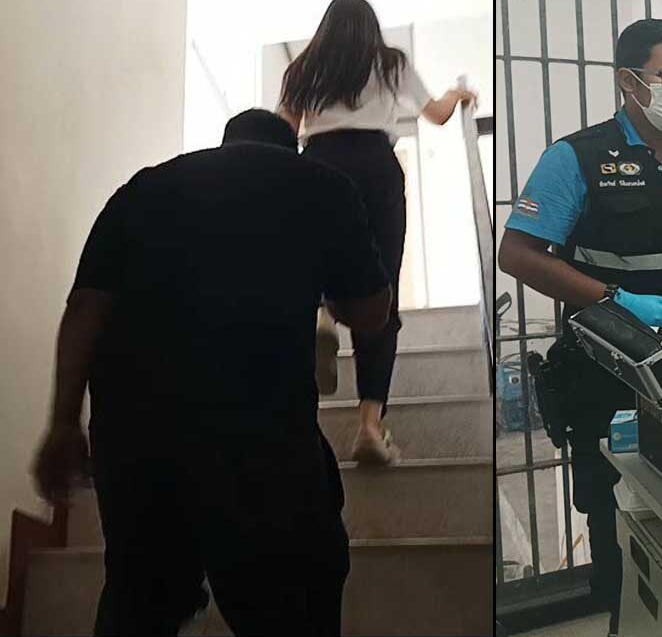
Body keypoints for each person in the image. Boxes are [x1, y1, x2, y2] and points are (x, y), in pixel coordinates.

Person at [31, 110, 392, 636]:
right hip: (259, 440)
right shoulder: (320, 186)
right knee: (295, 596)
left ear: (224, 143)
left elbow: (85, 308)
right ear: (290, 147)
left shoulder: (143, 188)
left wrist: (63, 423)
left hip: (136, 441)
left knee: (138, 599)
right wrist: (326, 290)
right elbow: (371, 313)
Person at [497, 18, 662, 635]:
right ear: (629, 81)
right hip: (609, 366)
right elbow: (518, 254)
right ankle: (624, 616)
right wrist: (617, 299)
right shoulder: (576, 157)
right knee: (615, 508)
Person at [278, 0, 476, 465]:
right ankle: (369, 426)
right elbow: (437, 114)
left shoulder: (303, 69)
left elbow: (284, 130)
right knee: (380, 291)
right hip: (376, 166)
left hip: (318, 163)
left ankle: (322, 315)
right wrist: (458, 94)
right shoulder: (390, 62)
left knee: (316, 255)